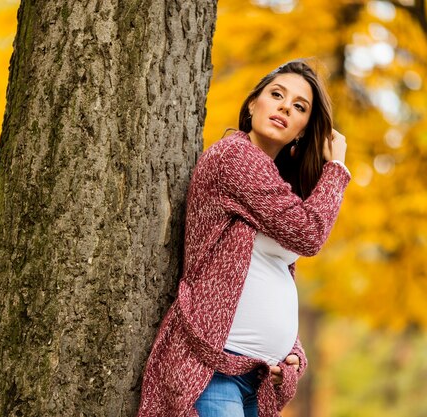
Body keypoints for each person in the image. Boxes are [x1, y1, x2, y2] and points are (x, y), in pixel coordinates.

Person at [136, 58, 351, 417]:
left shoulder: (274, 184)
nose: (285, 106)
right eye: (277, 94)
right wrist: (338, 170)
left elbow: (265, 274)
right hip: (214, 370)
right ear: (253, 105)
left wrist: (291, 350)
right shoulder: (235, 156)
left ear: (301, 130)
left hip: (256, 376)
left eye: (299, 106)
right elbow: (310, 234)